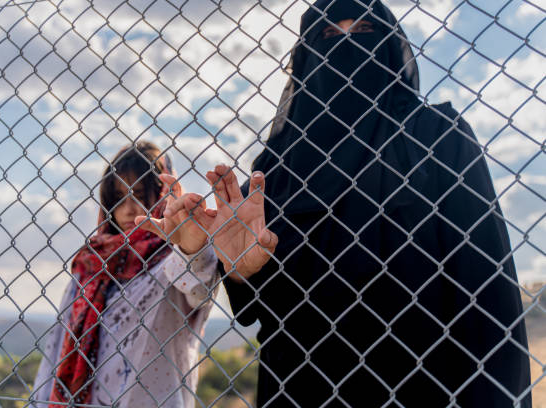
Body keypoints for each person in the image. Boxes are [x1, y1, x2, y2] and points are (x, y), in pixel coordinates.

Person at [182, 0, 532, 406]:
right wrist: (241, 274)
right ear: (308, 58)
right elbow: (258, 305)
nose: (347, 45)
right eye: (330, 35)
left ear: (388, 48)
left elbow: (489, 298)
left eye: (363, 31)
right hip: (298, 390)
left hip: (422, 387)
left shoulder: (438, 139)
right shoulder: (275, 170)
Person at [32, 141, 218, 407]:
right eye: (119, 198)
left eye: (140, 194)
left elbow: (199, 287)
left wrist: (191, 244)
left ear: (162, 195)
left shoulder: (176, 257)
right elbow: (57, 348)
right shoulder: (91, 265)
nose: (129, 209)